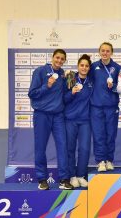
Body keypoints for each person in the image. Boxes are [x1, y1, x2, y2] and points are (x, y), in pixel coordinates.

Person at [28, 49, 73, 190]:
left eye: (62, 59)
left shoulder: (63, 74)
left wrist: (71, 86)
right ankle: (42, 179)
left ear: (64, 61)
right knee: (40, 147)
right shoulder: (40, 71)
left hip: (58, 115)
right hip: (42, 115)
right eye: (57, 58)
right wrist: (46, 86)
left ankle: (64, 179)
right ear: (52, 57)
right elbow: (32, 93)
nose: (59, 61)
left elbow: (65, 96)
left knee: (63, 147)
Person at [89, 42, 121, 172]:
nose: (105, 53)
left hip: (111, 107)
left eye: (107, 51)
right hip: (96, 107)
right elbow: (85, 81)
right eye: (102, 51)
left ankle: (109, 160)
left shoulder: (118, 68)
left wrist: (113, 86)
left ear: (111, 52)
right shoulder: (93, 67)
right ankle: (100, 161)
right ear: (99, 52)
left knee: (110, 135)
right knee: (98, 135)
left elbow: (120, 87)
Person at [64, 54, 93, 188]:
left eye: (87, 66)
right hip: (70, 119)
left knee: (85, 148)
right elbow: (63, 99)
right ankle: (72, 176)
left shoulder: (91, 81)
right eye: (82, 65)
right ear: (78, 66)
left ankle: (81, 175)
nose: (84, 68)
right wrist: (72, 93)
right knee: (70, 149)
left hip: (85, 120)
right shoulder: (70, 78)